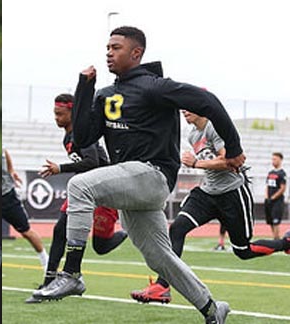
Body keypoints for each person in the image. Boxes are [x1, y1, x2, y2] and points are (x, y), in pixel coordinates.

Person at [34, 26, 245, 324]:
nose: (108, 52)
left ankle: (71, 273)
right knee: (159, 257)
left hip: (154, 175)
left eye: (116, 47)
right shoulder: (107, 95)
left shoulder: (155, 86)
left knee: (79, 185)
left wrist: (233, 148)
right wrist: (84, 88)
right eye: (107, 47)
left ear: (136, 53)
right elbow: (82, 138)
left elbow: (208, 102)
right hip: (131, 184)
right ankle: (212, 308)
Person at [130, 110, 290, 304]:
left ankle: (285, 243)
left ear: (201, 108)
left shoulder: (214, 127)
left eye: (189, 107)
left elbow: (230, 162)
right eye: (182, 107)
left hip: (232, 194)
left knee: (243, 251)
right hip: (208, 193)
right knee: (178, 228)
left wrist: (197, 163)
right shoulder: (192, 134)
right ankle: (162, 286)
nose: (184, 111)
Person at [24, 93, 127, 304]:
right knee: (59, 230)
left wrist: (60, 168)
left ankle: (128, 231)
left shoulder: (82, 134)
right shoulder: (67, 137)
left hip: (102, 190)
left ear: (72, 112)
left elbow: (92, 162)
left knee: (101, 246)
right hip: (83, 190)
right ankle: (49, 280)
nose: (56, 118)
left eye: (60, 114)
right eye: (54, 114)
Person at [2, 148, 49, 269]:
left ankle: (47, 264)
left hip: (6, 196)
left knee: (26, 231)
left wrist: (11, 170)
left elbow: (5, 152)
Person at [265, 152, 287, 239]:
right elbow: (267, 186)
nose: (273, 161)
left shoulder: (282, 173)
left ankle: (277, 238)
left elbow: (282, 188)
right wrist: (267, 197)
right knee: (270, 220)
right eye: (272, 159)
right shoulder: (270, 173)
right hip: (269, 199)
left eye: (275, 159)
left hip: (277, 201)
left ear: (280, 160)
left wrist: (273, 197)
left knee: (276, 220)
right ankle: (274, 236)